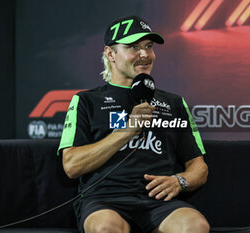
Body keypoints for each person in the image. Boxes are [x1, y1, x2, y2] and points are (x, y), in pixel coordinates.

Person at [58, 15, 209, 233]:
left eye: (149, 46)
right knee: (106, 229)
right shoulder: (86, 101)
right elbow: (71, 166)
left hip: (159, 202)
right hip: (104, 200)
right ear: (110, 53)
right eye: (133, 47)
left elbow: (198, 167)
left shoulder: (174, 103)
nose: (145, 54)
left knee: (195, 226)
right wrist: (126, 131)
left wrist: (179, 181)